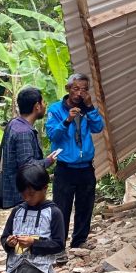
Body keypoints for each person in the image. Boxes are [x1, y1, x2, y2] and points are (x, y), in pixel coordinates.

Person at [46, 73, 104, 258]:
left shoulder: (87, 109)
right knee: (61, 207)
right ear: (68, 89)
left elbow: (98, 127)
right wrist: (67, 120)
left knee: (85, 206)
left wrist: (90, 107)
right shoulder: (56, 109)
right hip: (65, 167)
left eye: (85, 89)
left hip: (86, 166)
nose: (80, 93)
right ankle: (59, 246)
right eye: (76, 88)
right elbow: (52, 135)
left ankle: (79, 241)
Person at [0, 86, 55, 209]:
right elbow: (27, 166)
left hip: (16, 192)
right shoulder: (23, 132)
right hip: (23, 195)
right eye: (43, 102)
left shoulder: (14, 123)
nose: (45, 105)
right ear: (37, 106)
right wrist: (48, 161)